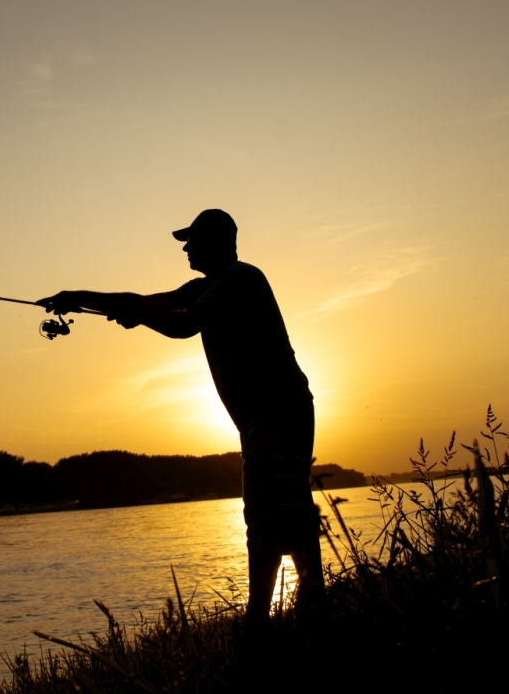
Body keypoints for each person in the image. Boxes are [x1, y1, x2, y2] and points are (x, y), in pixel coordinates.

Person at [37, 209, 323, 622]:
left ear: (219, 240)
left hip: (275, 412)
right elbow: (143, 303)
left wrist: (141, 317)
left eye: (194, 239)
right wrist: (76, 298)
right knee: (290, 509)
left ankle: (258, 623)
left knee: (265, 514)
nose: (186, 247)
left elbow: (184, 325)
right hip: (276, 412)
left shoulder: (240, 278)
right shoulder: (205, 286)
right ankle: (313, 607)